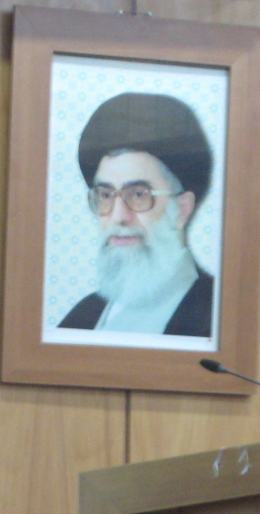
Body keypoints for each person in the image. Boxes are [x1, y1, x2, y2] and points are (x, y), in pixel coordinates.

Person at [57, 92, 215, 338]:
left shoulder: (215, 314)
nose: (119, 216)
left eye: (139, 194)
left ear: (181, 209)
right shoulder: (82, 317)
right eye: (106, 195)